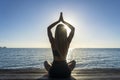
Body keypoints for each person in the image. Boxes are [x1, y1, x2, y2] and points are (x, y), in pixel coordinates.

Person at [44, 12, 76, 78]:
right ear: (65, 32)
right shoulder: (67, 41)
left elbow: (48, 28)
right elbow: (73, 29)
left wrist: (58, 21)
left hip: (53, 72)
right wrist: (63, 21)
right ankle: (65, 65)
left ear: (56, 32)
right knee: (74, 62)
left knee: (46, 62)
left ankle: (58, 65)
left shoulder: (53, 42)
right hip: (66, 72)